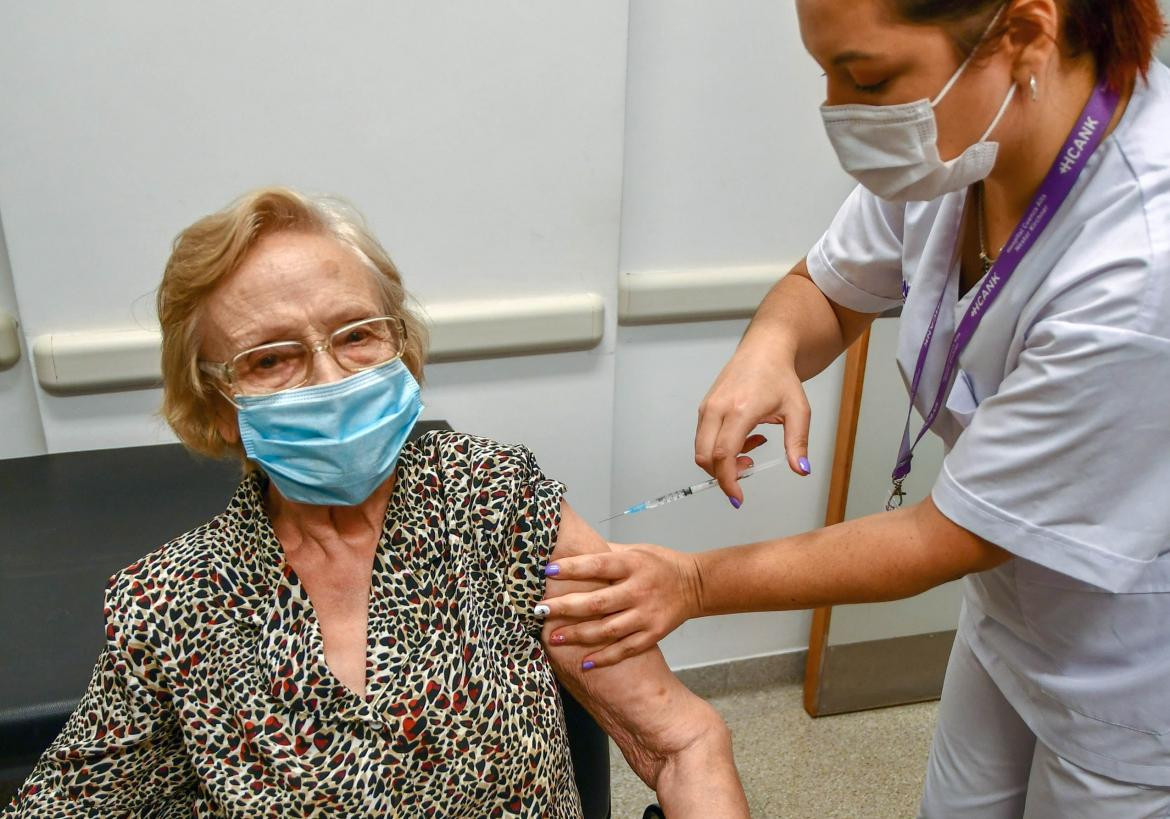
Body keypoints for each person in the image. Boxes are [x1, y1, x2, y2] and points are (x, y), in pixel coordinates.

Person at [539, 0, 1170, 815]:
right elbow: (827, 289)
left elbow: (947, 535)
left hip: (1131, 662)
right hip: (1015, 610)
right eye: (826, 71)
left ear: (1023, 33)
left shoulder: (1141, 264)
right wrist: (767, 348)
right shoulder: (963, 141)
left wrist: (693, 581)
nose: (839, 110)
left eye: (866, 76)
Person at [2, 187, 749, 818]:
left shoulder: (494, 500)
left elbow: (680, 743)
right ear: (220, 403)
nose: (328, 378)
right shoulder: (173, 603)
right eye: (271, 357)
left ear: (401, 343)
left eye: (356, 334)